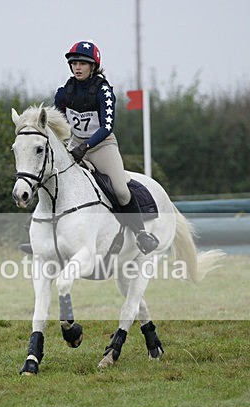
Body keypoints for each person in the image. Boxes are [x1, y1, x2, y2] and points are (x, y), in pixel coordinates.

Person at [54, 40, 159, 254]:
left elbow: (107, 126)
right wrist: (67, 145)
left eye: (83, 63)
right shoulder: (63, 93)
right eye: (74, 63)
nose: (77, 67)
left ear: (93, 66)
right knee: (53, 179)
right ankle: (44, 235)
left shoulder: (103, 92)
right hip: (75, 143)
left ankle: (141, 234)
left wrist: (86, 146)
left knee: (120, 189)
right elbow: (59, 124)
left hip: (101, 146)